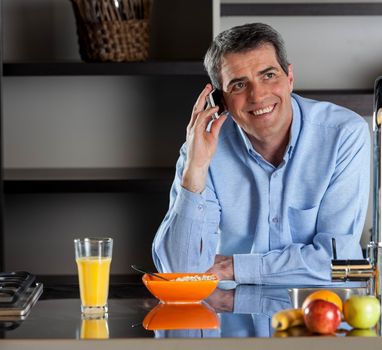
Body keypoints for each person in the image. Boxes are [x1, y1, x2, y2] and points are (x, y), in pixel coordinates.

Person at [152, 23, 370, 285]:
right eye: (239, 85)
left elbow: (339, 264)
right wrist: (195, 170)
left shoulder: (343, 134)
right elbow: (180, 270)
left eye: (268, 76)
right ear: (221, 101)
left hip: (317, 318)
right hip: (232, 320)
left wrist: (234, 267)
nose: (258, 95)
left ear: (289, 79)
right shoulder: (202, 149)